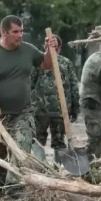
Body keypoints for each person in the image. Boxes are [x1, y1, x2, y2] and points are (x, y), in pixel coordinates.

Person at [0, 15, 57, 192]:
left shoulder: (28, 50)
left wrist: (49, 50)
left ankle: (14, 188)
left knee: (22, 147)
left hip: (22, 111)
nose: (20, 35)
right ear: (4, 32)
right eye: (15, 32)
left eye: (22, 31)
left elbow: (46, 64)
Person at [30, 34, 79, 164]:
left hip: (60, 110)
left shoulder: (66, 63)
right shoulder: (38, 63)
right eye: (49, 47)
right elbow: (30, 84)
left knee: (58, 141)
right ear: (44, 47)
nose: (52, 50)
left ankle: (58, 167)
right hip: (40, 110)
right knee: (38, 139)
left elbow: (74, 87)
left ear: (59, 49)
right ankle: (41, 165)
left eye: (54, 48)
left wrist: (75, 109)